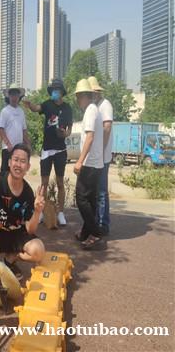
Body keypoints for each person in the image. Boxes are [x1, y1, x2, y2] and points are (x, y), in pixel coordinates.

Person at [0, 143, 46, 280]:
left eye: (23, 161)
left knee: (38, 251)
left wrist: (37, 212)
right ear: (9, 162)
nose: (18, 165)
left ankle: (10, 260)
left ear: (28, 167)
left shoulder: (28, 192)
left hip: (16, 234)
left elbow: (30, 229)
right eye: (16, 160)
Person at [23, 78, 72, 226]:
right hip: (47, 149)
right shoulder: (47, 104)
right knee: (44, 183)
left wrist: (65, 134)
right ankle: (42, 212)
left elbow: (69, 130)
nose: (55, 92)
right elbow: (36, 108)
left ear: (62, 92)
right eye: (53, 90)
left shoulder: (68, 108)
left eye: (57, 90)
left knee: (60, 182)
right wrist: (29, 104)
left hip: (60, 149)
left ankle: (61, 212)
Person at [73, 78, 104, 249]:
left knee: (81, 198)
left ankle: (95, 233)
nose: (77, 100)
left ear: (86, 96)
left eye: (79, 96)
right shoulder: (93, 109)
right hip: (95, 162)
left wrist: (80, 161)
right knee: (90, 200)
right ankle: (86, 232)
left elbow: (90, 137)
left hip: (90, 163)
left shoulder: (91, 111)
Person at [89, 76, 113, 236]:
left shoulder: (105, 105)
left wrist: (101, 150)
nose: (92, 95)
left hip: (102, 157)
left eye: (93, 92)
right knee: (96, 191)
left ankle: (103, 224)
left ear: (97, 92)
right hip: (97, 157)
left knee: (102, 192)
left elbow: (107, 127)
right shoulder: (95, 106)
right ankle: (97, 221)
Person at [0, 83, 31, 173]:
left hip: (18, 148)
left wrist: (28, 144)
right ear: (9, 96)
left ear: (19, 96)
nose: (14, 97)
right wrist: (8, 144)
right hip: (8, 148)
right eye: (12, 95)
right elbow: (1, 129)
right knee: (5, 172)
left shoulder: (21, 111)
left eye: (16, 95)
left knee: (16, 171)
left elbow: (24, 130)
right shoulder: (5, 111)